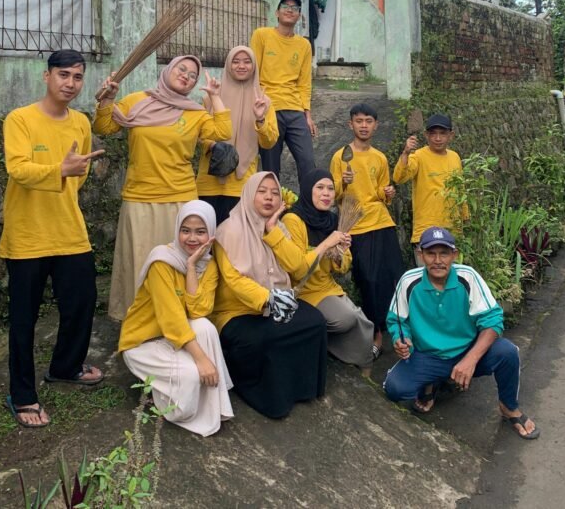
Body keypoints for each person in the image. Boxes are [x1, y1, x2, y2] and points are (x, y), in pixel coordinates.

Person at [0, 50, 105, 429]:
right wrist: (59, 169)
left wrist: (68, 172)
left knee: (82, 302)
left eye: (77, 77)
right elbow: (19, 169)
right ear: (46, 77)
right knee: (24, 319)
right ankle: (22, 394)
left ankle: (65, 367)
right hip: (27, 234)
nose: (70, 84)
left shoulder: (80, 122)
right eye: (63, 75)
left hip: (70, 231)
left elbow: (82, 175)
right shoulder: (20, 119)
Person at [93, 56, 232, 321]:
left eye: (192, 75)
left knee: (178, 264)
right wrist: (107, 100)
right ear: (169, 69)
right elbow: (104, 125)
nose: (186, 76)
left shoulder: (194, 113)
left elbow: (222, 131)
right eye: (182, 69)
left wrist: (215, 96)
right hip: (139, 197)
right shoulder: (136, 101)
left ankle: (175, 318)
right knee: (139, 263)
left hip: (179, 200)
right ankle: (138, 319)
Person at [384, 227, 539, 439]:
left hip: (467, 350)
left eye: (444, 253)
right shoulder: (409, 281)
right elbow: (397, 320)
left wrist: (471, 359)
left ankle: (509, 407)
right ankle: (432, 383)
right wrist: (401, 338)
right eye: (431, 253)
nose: (438, 260)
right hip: (427, 355)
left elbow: (493, 320)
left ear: (454, 255)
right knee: (395, 389)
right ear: (421, 255)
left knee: (507, 352)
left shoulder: (468, 277)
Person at [211, 171, 328, 419]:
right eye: (262, 192)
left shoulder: (280, 228)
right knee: (265, 338)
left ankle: (302, 388)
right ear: (249, 194)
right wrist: (268, 298)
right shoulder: (228, 231)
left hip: (279, 302)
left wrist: (273, 231)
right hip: (238, 311)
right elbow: (234, 280)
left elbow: (297, 267)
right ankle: (265, 396)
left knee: (315, 322)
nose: (269, 198)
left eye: (275, 193)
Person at [119, 200, 233, 437]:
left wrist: (191, 267)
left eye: (200, 232)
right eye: (185, 230)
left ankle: (213, 403)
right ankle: (168, 405)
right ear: (177, 230)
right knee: (192, 375)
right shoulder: (161, 261)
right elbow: (171, 318)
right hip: (143, 343)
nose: (192, 238)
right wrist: (201, 359)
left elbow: (198, 312)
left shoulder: (208, 265)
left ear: (210, 234)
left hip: (173, 339)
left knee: (206, 327)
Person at [329, 102, 403, 357]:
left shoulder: (380, 157)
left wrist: (389, 193)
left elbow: (383, 192)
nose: (363, 126)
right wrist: (342, 182)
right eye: (359, 121)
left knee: (395, 274)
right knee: (368, 279)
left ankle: (399, 329)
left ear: (375, 125)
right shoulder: (340, 156)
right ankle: (376, 332)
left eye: (368, 121)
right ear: (351, 124)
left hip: (382, 221)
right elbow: (331, 195)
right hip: (356, 224)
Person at [282, 168, 375, 368]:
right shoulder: (293, 220)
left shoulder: (333, 221)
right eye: (320, 188)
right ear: (308, 190)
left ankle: (359, 362)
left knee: (362, 321)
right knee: (347, 319)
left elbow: (342, 268)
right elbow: (297, 269)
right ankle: (328, 347)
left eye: (331, 189)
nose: (326, 193)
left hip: (327, 286)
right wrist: (327, 244)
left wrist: (341, 251)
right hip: (303, 290)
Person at [197, 45, 279, 225]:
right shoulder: (210, 97)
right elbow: (198, 135)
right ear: (228, 65)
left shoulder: (264, 101)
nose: (241, 66)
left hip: (242, 184)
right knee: (207, 239)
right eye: (235, 62)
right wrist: (213, 146)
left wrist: (260, 120)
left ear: (254, 66)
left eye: (247, 62)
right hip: (209, 181)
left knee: (235, 242)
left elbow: (269, 142)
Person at [250, 0, 316, 180]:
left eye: (295, 8)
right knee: (271, 167)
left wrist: (307, 115)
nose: (289, 10)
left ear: (299, 16)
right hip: (269, 107)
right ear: (277, 12)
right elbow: (253, 73)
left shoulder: (304, 45)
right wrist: (257, 110)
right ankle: (272, 207)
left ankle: (308, 207)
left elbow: (304, 83)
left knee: (308, 162)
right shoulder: (262, 35)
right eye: (285, 6)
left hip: (295, 109)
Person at [392, 113, 469, 262]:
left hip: (452, 228)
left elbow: (461, 189)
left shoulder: (455, 157)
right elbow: (399, 178)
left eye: (442, 133)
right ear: (426, 135)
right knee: (427, 279)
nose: (438, 138)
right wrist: (406, 152)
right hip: (426, 228)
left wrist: (465, 217)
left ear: (451, 135)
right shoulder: (418, 156)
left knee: (451, 278)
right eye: (433, 134)